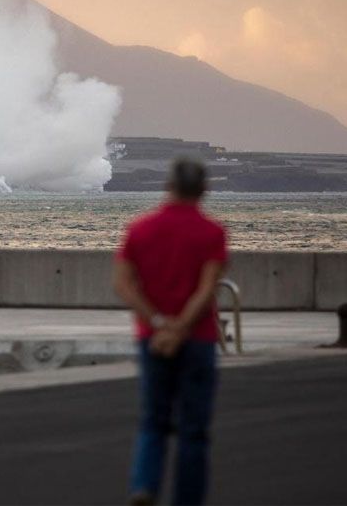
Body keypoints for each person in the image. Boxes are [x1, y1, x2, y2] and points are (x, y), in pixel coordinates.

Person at [114, 158, 227, 506]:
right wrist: (181, 328)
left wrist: (159, 324)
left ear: (169, 186)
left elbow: (124, 285)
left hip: (153, 339)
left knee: (153, 421)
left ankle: (144, 486)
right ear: (204, 190)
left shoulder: (139, 229)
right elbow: (207, 290)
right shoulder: (212, 233)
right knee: (194, 430)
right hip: (199, 340)